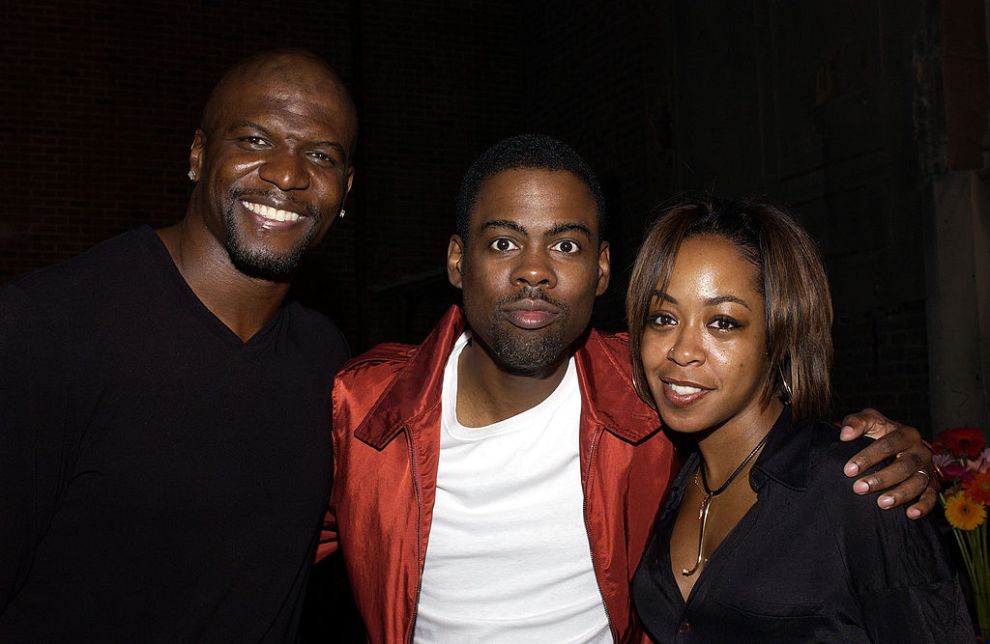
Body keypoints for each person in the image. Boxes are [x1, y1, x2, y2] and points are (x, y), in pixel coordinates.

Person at [320, 134, 936, 643]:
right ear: (457, 261)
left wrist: (894, 452)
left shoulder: (647, 398)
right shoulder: (363, 409)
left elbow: (763, 417)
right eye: (504, 242)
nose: (534, 269)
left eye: (565, 244)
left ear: (603, 269)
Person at [0, 49, 356, 641]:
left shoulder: (327, 361)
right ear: (198, 154)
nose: (287, 174)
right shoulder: (45, 330)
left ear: (345, 190)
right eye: (254, 140)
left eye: (320, 155)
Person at [628, 196, 973, 642]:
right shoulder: (669, 475)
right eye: (663, 317)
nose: (682, 349)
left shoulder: (860, 485)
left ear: (781, 334)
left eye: (724, 323)